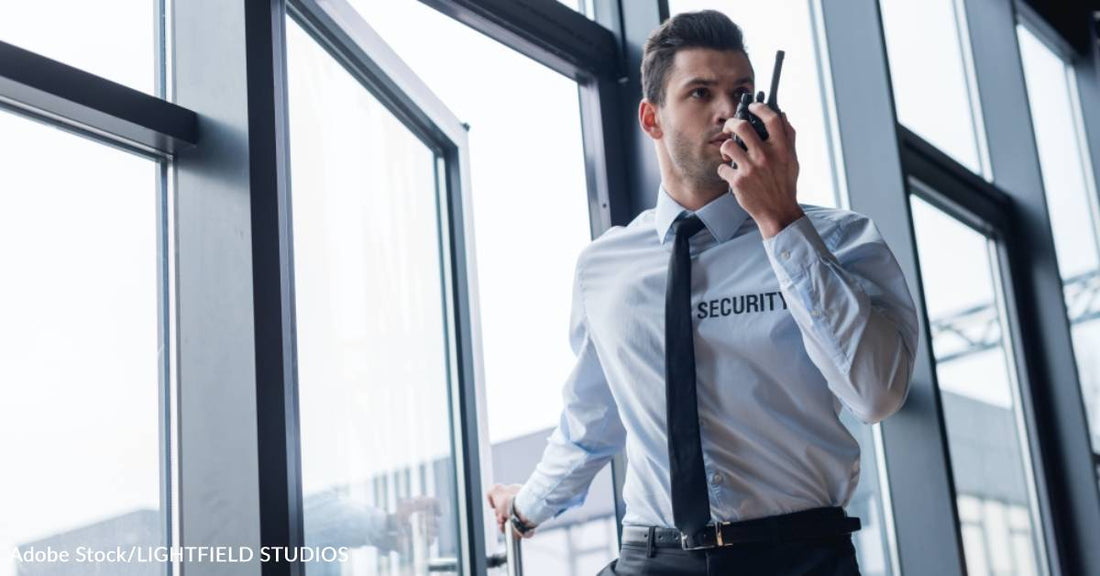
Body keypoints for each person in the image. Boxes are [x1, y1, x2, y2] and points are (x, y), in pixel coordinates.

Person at [487, 9, 918, 576]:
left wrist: (782, 223)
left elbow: (877, 394)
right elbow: (590, 421)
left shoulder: (838, 239)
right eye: (700, 93)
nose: (726, 111)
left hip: (799, 556)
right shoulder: (604, 267)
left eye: (740, 92)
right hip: (654, 556)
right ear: (652, 118)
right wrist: (524, 508)